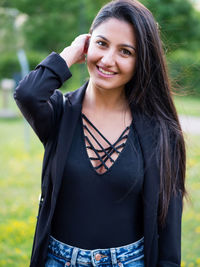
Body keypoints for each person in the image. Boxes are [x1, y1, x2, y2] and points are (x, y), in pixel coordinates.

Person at [14, 0, 186, 266]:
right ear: (88, 43)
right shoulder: (60, 114)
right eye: (102, 44)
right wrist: (69, 54)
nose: (108, 60)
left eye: (125, 52)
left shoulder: (162, 132)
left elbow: (169, 234)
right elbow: (28, 94)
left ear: (142, 60)